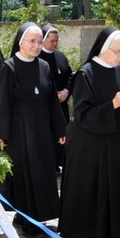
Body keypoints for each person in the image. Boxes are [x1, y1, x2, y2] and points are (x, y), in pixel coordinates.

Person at [58, 27, 120, 238]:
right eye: (118, 51)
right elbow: (83, 115)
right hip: (88, 145)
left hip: (115, 142)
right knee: (84, 192)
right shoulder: (85, 74)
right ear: (105, 48)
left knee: (118, 192)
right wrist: (113, 104)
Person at [0, 22, 67, 238]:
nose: (37, 46)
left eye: (39, 41)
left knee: (42, 175)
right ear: (21, 42)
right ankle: (27, 222)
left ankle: (35, 217)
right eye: (33, 41)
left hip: (42, 132)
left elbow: (52, 102)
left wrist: (60, 128)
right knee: (25, 177)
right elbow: (2, 105)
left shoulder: (44, 66)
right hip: (19, 134)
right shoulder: (9, 67)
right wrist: (0, 136)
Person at [38, 24, 73, 171]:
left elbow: (70, 76)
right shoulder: (37, 57)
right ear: (44, 40)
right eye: (52, 41)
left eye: (56, 41)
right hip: (45, 106)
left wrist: (66, 91)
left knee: (61, 134)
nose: (55, 44)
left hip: (61, 103)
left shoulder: (60, 56)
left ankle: (59, 163)